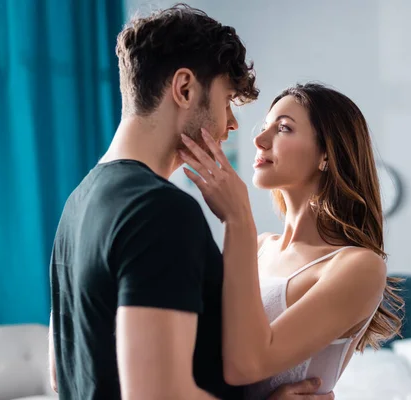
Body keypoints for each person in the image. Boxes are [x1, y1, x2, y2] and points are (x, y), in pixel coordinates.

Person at [48, 5, 334, 400]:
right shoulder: (160, 211)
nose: (232, 124)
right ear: (184, 88)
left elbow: (62, 374)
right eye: (227, 100)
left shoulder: (77, 204)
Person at [181, 82, 405, 399]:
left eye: (284, 128)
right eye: (265, 127)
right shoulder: (258, 248)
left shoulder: (360, 267)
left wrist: (238, 220)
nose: (259, 140)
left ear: (326, 154)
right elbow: (200, 353)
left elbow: (244, 366)